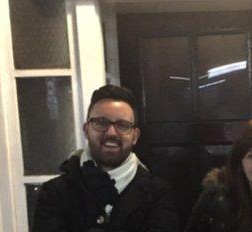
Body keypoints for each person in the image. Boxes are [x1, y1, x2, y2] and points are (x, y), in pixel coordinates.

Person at [33, 84, 179, 232]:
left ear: (135, 136)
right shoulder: (54, 193)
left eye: (123, 125)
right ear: (86, 130)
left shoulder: (157, 194)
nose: (111, 133)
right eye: (101, 123)